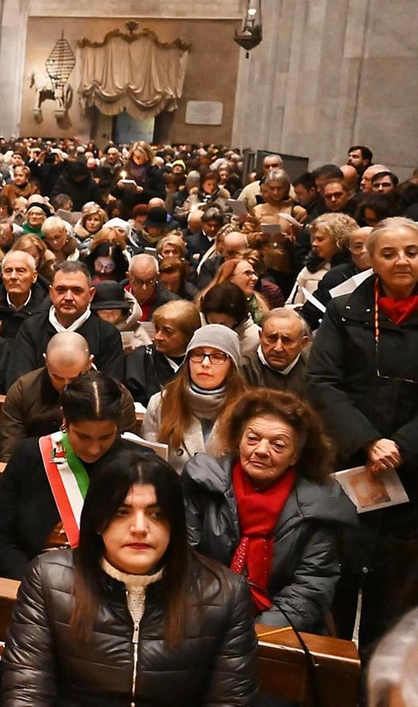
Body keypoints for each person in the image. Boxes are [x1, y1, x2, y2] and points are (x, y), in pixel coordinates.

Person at [0, 452, 258, 706]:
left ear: (176, 523)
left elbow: (230, 699)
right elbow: (26, 690)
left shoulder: (224, 593)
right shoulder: (49, 579)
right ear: (98, 520)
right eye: (122, 512)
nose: (140, 528)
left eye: (156, 514)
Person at [307, 217, 418, 654]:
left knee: (395, 609)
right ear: (370, 261)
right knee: (334, 593)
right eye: (388, 253)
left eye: (411, 251)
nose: (402, 260)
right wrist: (369, 441)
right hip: (350, 468)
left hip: (413, 480)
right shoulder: (344, 309)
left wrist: (401, 447)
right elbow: (321, 382)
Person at [182, 388, 356, 633]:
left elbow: (311, 587)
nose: (261, 450)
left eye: (278, 445)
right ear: (238, 440)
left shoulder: (319, 506)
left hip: (281, 630)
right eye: (252, 438)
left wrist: (252, 633)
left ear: (295, 456)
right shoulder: (203, 483)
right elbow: (184, 561)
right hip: (202, 620)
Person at [0, 372, 151, 579]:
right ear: (65, 418)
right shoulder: (30, 455)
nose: (94, 449)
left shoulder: (139, 465)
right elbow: (1, 536)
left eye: (105, 437)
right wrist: (33, 584)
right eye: (83, 436)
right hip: (36, 578)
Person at [0, 331, 137, 460]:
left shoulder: (116, 395)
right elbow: (10, 452)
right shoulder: (23, 390)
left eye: (75, 378)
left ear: (90, 363)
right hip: (37, 470)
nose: (66, 386)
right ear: (46, 361)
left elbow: (125, 452)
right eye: (57, 377)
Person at [142, 324, 247, 472]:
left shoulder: (248, 408)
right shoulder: (161, 403)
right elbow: (149, 465)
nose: (205, 364)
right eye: (197, 354)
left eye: (217, 356)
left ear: (232, 365)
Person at [4, 261, 125, 388]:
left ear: (91, 295)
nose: (68, 297)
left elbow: (111, 390)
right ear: (51, 292)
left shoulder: (107, 334)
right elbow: (19, 385)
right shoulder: (31, 327)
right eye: (60, 290)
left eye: (77, 290)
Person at [124, 300, 200, 407]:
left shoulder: (201, 362)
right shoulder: (139, 359)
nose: (157, 337)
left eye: (167, 331)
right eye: (157, 329)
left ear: (188, 334)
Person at [240, 307, 311, 398]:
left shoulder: (314, 370)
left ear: (303, 343)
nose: (278, 348)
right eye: (271, 339)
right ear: (261, 337)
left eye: (287, 341)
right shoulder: (242, 369)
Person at [0, 249, 49, 341]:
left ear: (34, 276)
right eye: (8, 271)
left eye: (20, 271)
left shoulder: (46, 307)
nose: (13, 277)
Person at [199, 282, 262, 358]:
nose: (217, 328)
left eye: (223, 324)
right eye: (213, 322)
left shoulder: (254, 338)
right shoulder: (196, 323)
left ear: (237, 319)